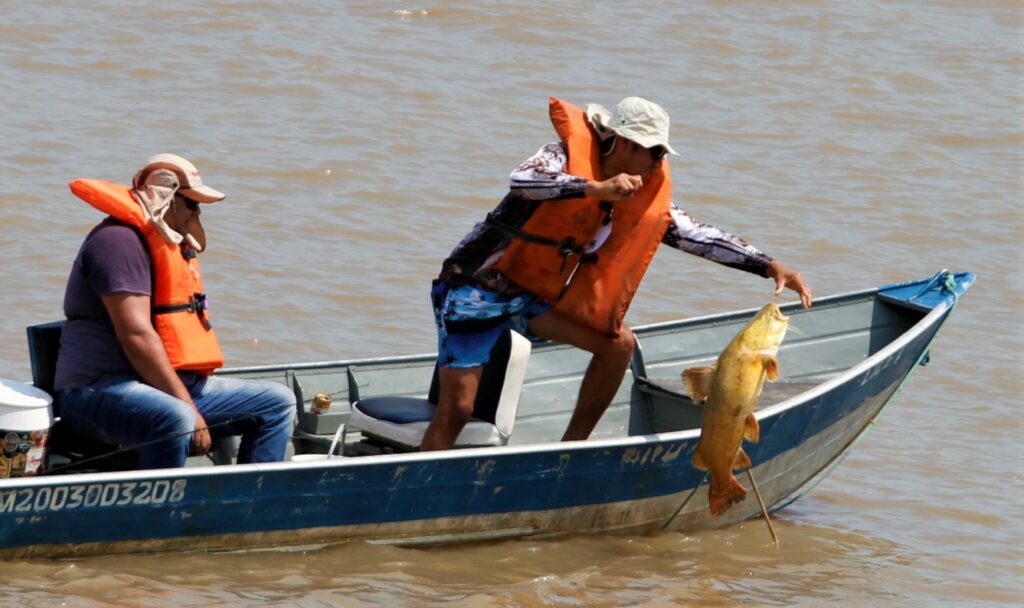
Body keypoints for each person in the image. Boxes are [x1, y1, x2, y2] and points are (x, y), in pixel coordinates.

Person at [422, 97, 813, 451]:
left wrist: (769, 265)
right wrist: (595, 188)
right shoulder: (561, 157)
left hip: (531, 295)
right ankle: (421, 489)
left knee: (618, 345)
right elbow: (522, 180)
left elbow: (698, 236)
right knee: (457, 409)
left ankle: (569, 451)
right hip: (475, 288)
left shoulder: (638, 193)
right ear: (625, 143)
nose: (659, 163)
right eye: (655, 151)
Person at [53, 154, 295, 469]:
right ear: (165, 199)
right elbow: (135, 335)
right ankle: (161, 510)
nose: (197, 213)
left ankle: (252, 502)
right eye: (192, 205)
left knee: (276, 403)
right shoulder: (118, 243)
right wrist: (188, 407)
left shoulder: (166, 243)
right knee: (177, 417)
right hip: (98, 390)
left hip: (155, 385)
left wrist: (185, 399)